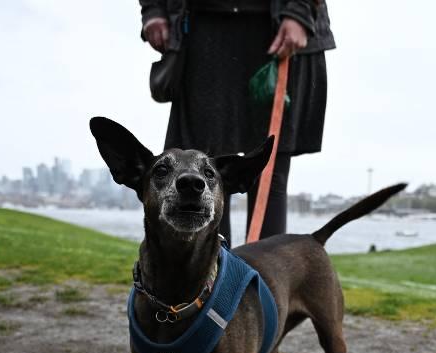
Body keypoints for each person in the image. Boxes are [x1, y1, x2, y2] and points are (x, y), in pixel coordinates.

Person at [139, 1, 335, 243]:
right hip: (203, 28)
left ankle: (265, 280)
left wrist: (299, 11)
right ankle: (214, 278)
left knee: (270, 171)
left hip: (281, 27)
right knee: (203, 169)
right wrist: (153, 9)